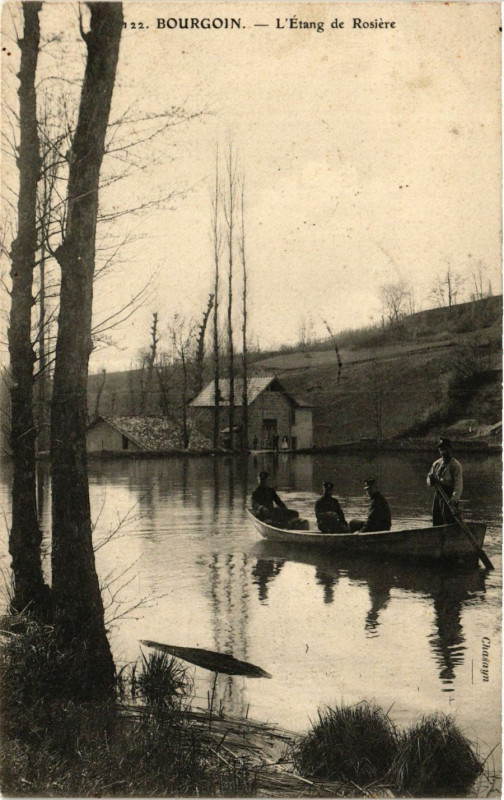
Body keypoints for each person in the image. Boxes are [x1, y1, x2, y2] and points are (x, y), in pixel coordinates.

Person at [427, 437, 463, 525]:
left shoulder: (455, 465)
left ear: (450, 449)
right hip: (438, 495)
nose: (443, 452)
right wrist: (430, 480)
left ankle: (451, 537)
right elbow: (428, 478)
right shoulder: (436, 464)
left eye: (445, 449)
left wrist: (454, 500)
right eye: (441, 450)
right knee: (437, 520)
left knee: (449, 521)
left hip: (449, 496)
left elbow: (458, 485)